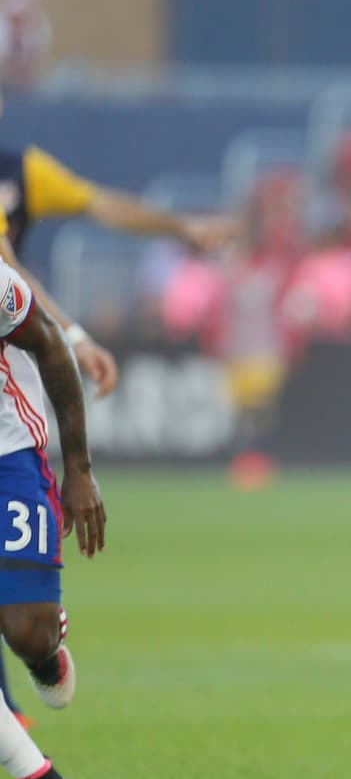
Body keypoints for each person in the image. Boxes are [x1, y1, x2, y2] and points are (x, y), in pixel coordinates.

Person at [0, 139, 234, 722]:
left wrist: (179, 228)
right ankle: (22, 751)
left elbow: (96, 209)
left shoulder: (19, 170)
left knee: (25, 627)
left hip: (8, 394)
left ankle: (33, 652)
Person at [0, 257, 106, 779]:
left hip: (9, 458)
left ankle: (47, 645)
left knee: (26, 632)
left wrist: (80, 471)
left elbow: (51, 346)